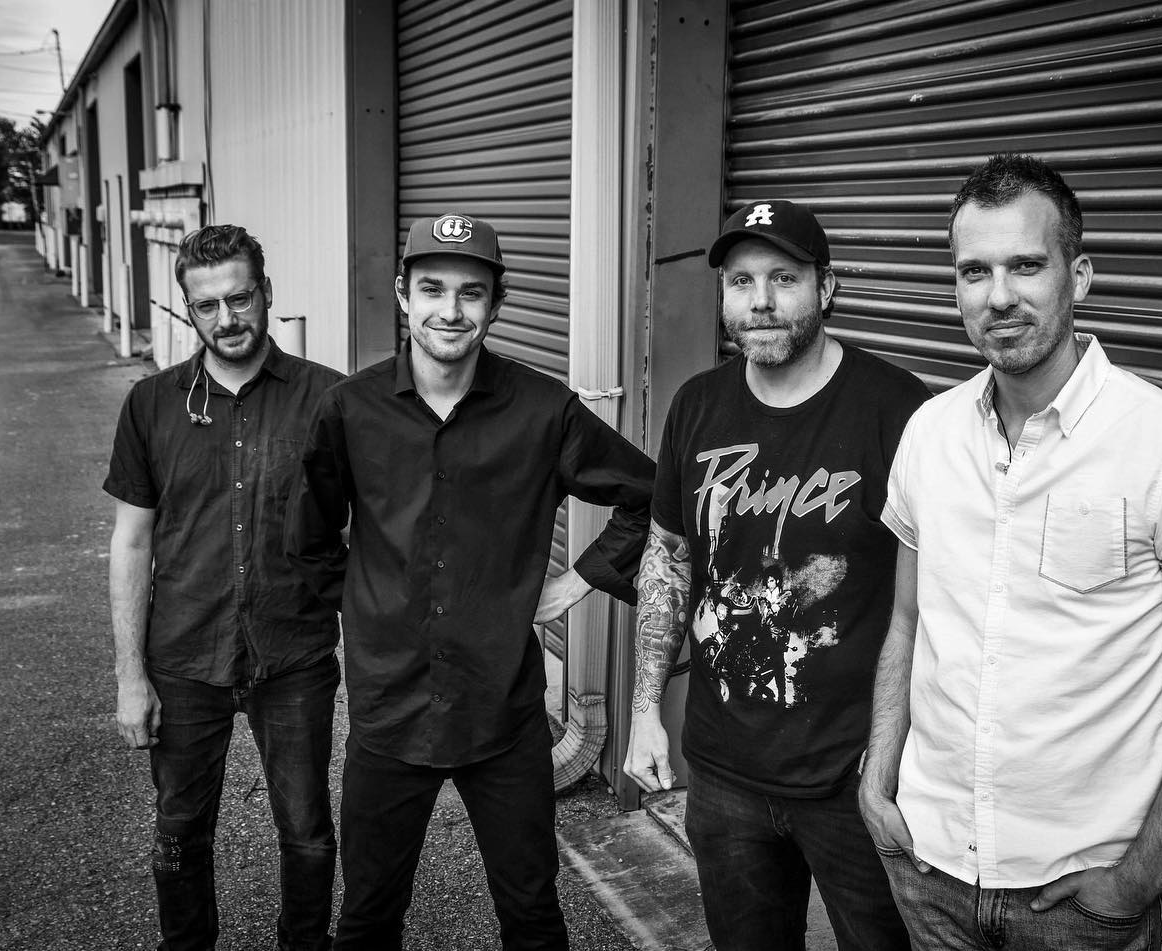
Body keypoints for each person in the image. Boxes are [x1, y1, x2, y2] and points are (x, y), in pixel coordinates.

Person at [860, 153, 1162, 950]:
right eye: (974, 271)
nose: (998, 295)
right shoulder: (929, 434)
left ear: (1078, 275)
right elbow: (909, 620)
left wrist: (1138, 880)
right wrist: (879, 777)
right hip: (927, 866)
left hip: (1080, 901)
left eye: (1026, 265)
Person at [286, 211, 655, 950]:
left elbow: (650, 493)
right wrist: (372, 610)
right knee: (367, 917)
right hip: (389, 714)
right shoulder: (350, 409)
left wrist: (577, 580)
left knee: (532, 914)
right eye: (432, 288)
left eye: (471, 291)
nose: (450, 310)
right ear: (402, 294)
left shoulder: (543, 410)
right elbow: (310, 539)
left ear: (496, 301)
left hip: (502, 712)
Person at [624, 200, 928, 950]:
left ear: (826, 287)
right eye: (741, 281)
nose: (759, 300)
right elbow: (669, 558)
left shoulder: (898, 409)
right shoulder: (697, 405)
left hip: (855, 775)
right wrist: (644, 710)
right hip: (723, 771)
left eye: (783, 278)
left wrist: (897, 756)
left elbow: (937, 598)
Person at [105, 224, 345, 951]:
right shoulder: (151, 404)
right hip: (183, 656)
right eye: (207, 305)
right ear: (189, 308)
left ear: (266, 293)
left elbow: (372, 527)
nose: (227, 318)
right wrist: (130, 677)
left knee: (307, 830)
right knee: (180, 830)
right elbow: (131, 542)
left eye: (239, 298)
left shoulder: (329, 398)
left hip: (294, 654)